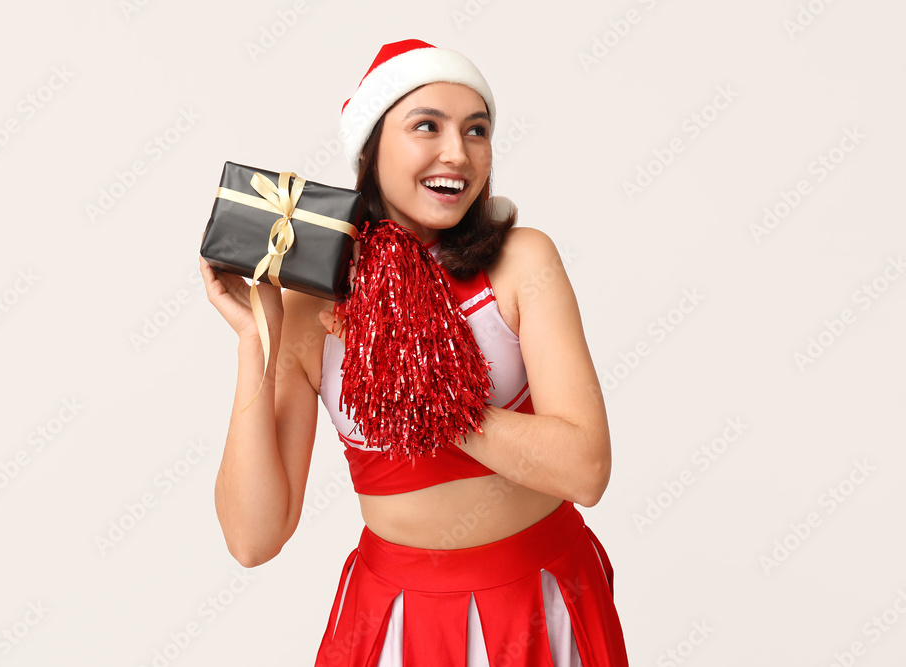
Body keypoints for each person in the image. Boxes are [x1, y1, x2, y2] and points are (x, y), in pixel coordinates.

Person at [200, 39, 629, 667]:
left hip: (541, 604)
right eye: (427, 126)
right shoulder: (315, 309)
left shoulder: (521, 262)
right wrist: (253, 341)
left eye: (476, 130)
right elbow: (252, 539)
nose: (457, 152)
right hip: (395, 621)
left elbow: (585, 471)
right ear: (371, 148)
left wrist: (418, 390)